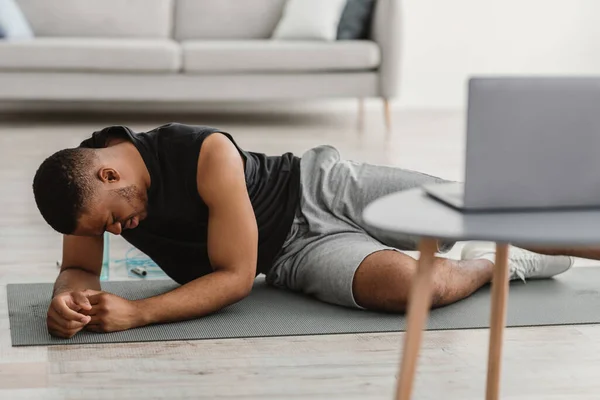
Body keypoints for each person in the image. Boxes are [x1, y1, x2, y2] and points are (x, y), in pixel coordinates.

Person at [32, 123, 587, 339]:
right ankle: (498, 262)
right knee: (416, 288)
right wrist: (65, 300)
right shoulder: (82, 188)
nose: (120, 231)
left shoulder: (202, 152)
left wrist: (140, 311)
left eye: (114, 221)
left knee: (475, 207)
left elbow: (234, 278)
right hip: (294, 255)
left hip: (321, 186)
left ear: (111, 173)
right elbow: (78, 268)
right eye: (111, 231)